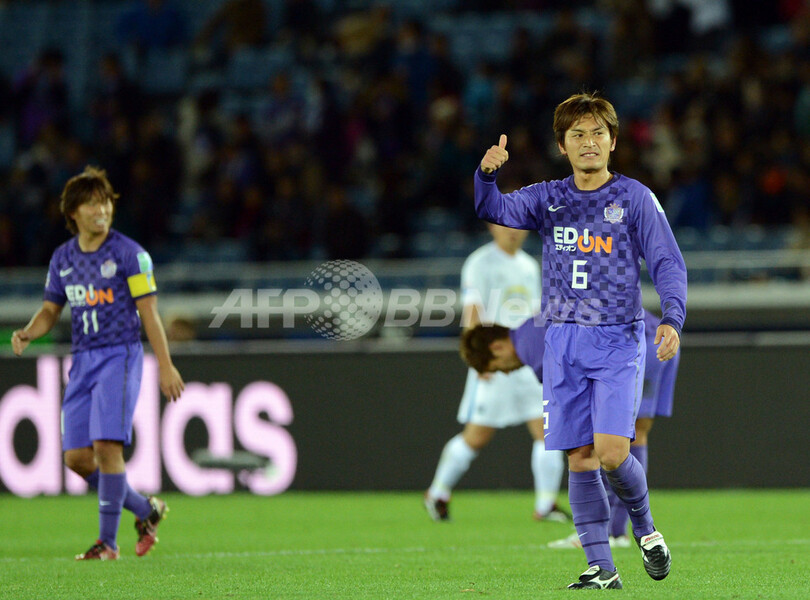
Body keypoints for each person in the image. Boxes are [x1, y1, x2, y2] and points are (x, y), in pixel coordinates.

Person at [474, 92, 687, 589]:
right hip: (562, 341)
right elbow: (493, 208)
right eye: (577, 135)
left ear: (613, 142)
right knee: (578, 456)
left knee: (613, 451)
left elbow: (667, 263)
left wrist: (672, 318)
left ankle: (647, 530)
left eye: (597, 134)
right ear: (562, 146)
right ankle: (600, 568)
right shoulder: (548, 197)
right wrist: (486, 175)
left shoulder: (633, 198)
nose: (588, 143)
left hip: (617, 339)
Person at [10, 166, 185, 560]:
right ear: (73, 212)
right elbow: (51, 311)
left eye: (105, 201)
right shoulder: (62, 259)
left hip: (119, 355)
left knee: (107, 446)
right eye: (91, 202)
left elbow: (150, 313)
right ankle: (145, 509)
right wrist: (28, 332)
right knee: (76, 458)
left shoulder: (130, 255)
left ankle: (108, 543)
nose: (100, 209)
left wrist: (166, 364)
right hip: (83, 359)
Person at [424, 223, 567, 524]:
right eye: (505, 226)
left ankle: (545, 505)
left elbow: (536, 314)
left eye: (519, 227)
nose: (512, 232)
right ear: (491, 227)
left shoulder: (528, 265)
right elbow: (473, 311)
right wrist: (478, 359)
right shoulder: (480, 262)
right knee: (476, 436)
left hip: (527, 361)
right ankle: (437, 493)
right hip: (495, 360)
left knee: (547, 431)